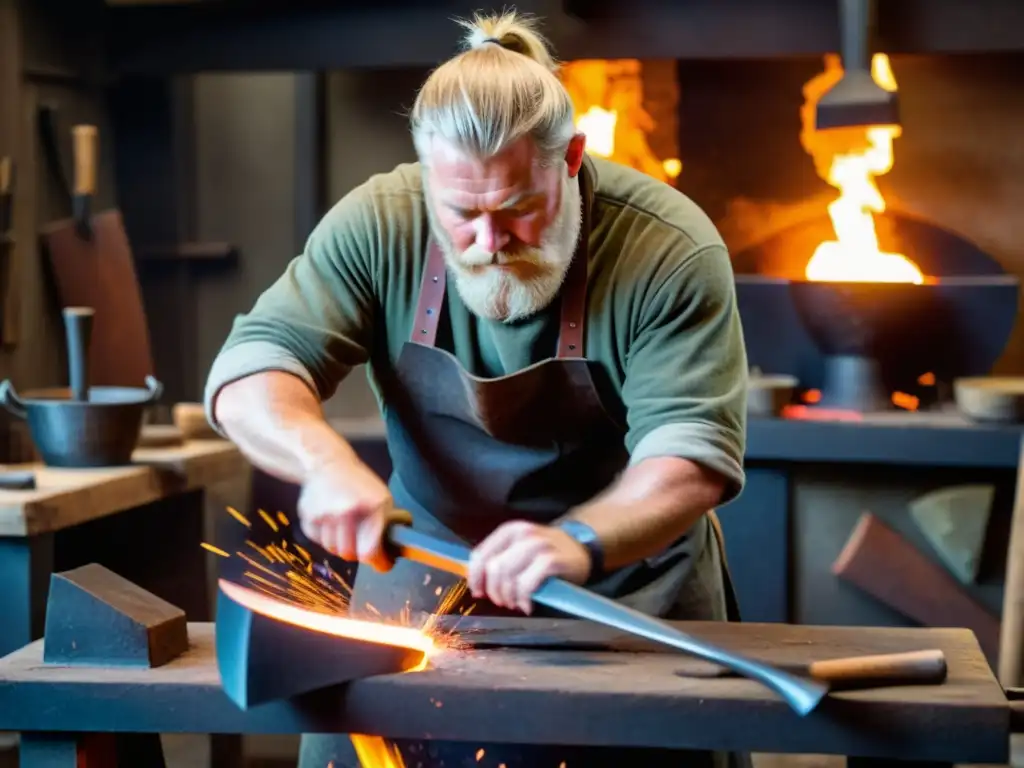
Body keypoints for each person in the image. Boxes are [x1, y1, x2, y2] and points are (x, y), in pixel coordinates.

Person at [204, 10, 749, 768]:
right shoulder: (381, 223)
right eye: (462, 214)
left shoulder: (666, 248)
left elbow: (690, 458)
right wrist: (323, 462)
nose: (489, 244)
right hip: (422, 567)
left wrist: (576, 542)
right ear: (428, 175)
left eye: (519, 210)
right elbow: (252, 370)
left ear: (572, 159)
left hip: (625, 584)